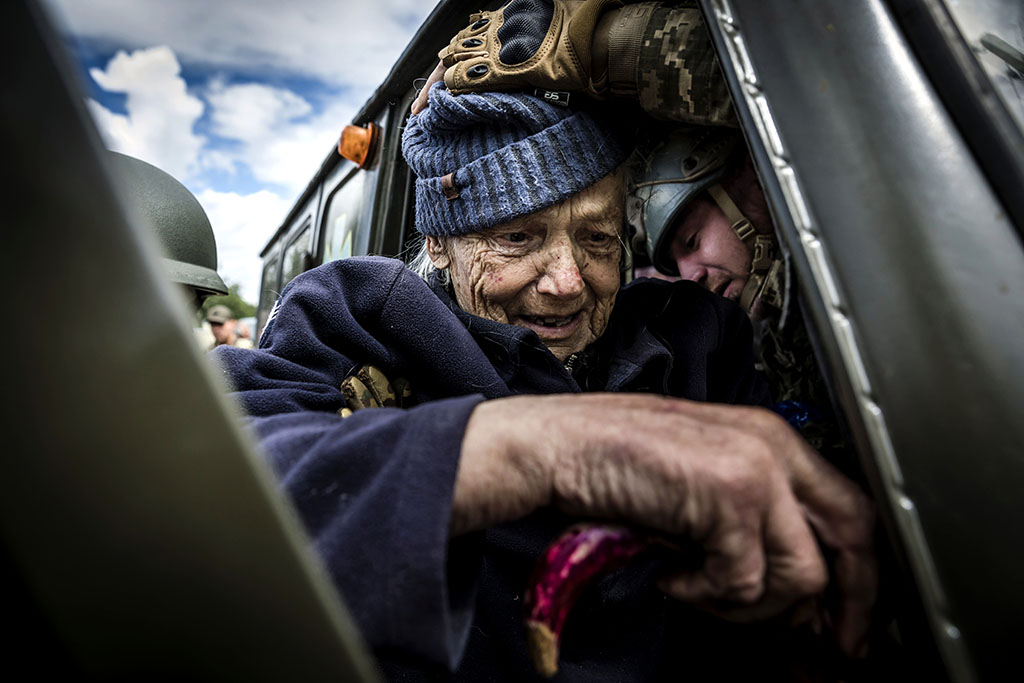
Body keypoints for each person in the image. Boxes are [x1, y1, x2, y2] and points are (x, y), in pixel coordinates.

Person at [213, 84, 874, 680]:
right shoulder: (357, 317)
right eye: (518, 236)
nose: (567, 281)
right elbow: (225, 479)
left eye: (598, 238)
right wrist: (546, 446)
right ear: (439, 244)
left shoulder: (695, 336)